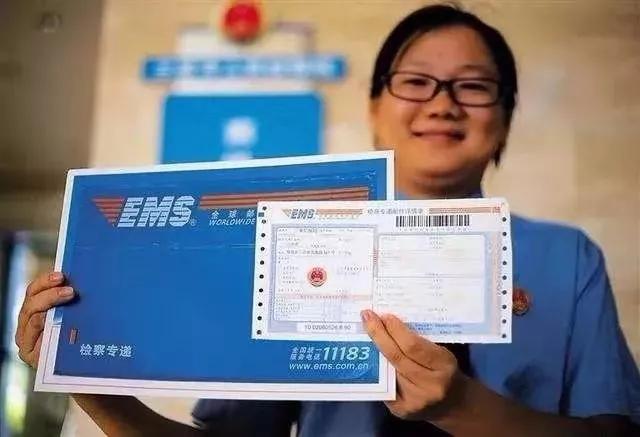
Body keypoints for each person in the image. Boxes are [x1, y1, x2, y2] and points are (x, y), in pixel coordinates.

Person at [15, 4, 640, 436]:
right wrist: (84, 380)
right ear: (375, 110)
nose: (443, 103)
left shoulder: (568, 259)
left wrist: (461, 408)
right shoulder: (293, 245)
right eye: (415, 82)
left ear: (504, 121)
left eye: (474, 86)